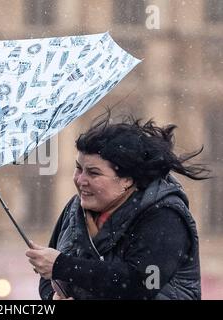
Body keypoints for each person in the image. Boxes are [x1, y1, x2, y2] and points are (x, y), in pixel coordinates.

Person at [26, 109, 211, 300]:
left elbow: (144, 283)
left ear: (127, 180)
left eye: (93, 173)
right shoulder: (73, 210)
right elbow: (48, 278)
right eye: (78, 168)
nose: (80, 180)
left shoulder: (164, 215)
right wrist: (53, 297)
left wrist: (63, 266)